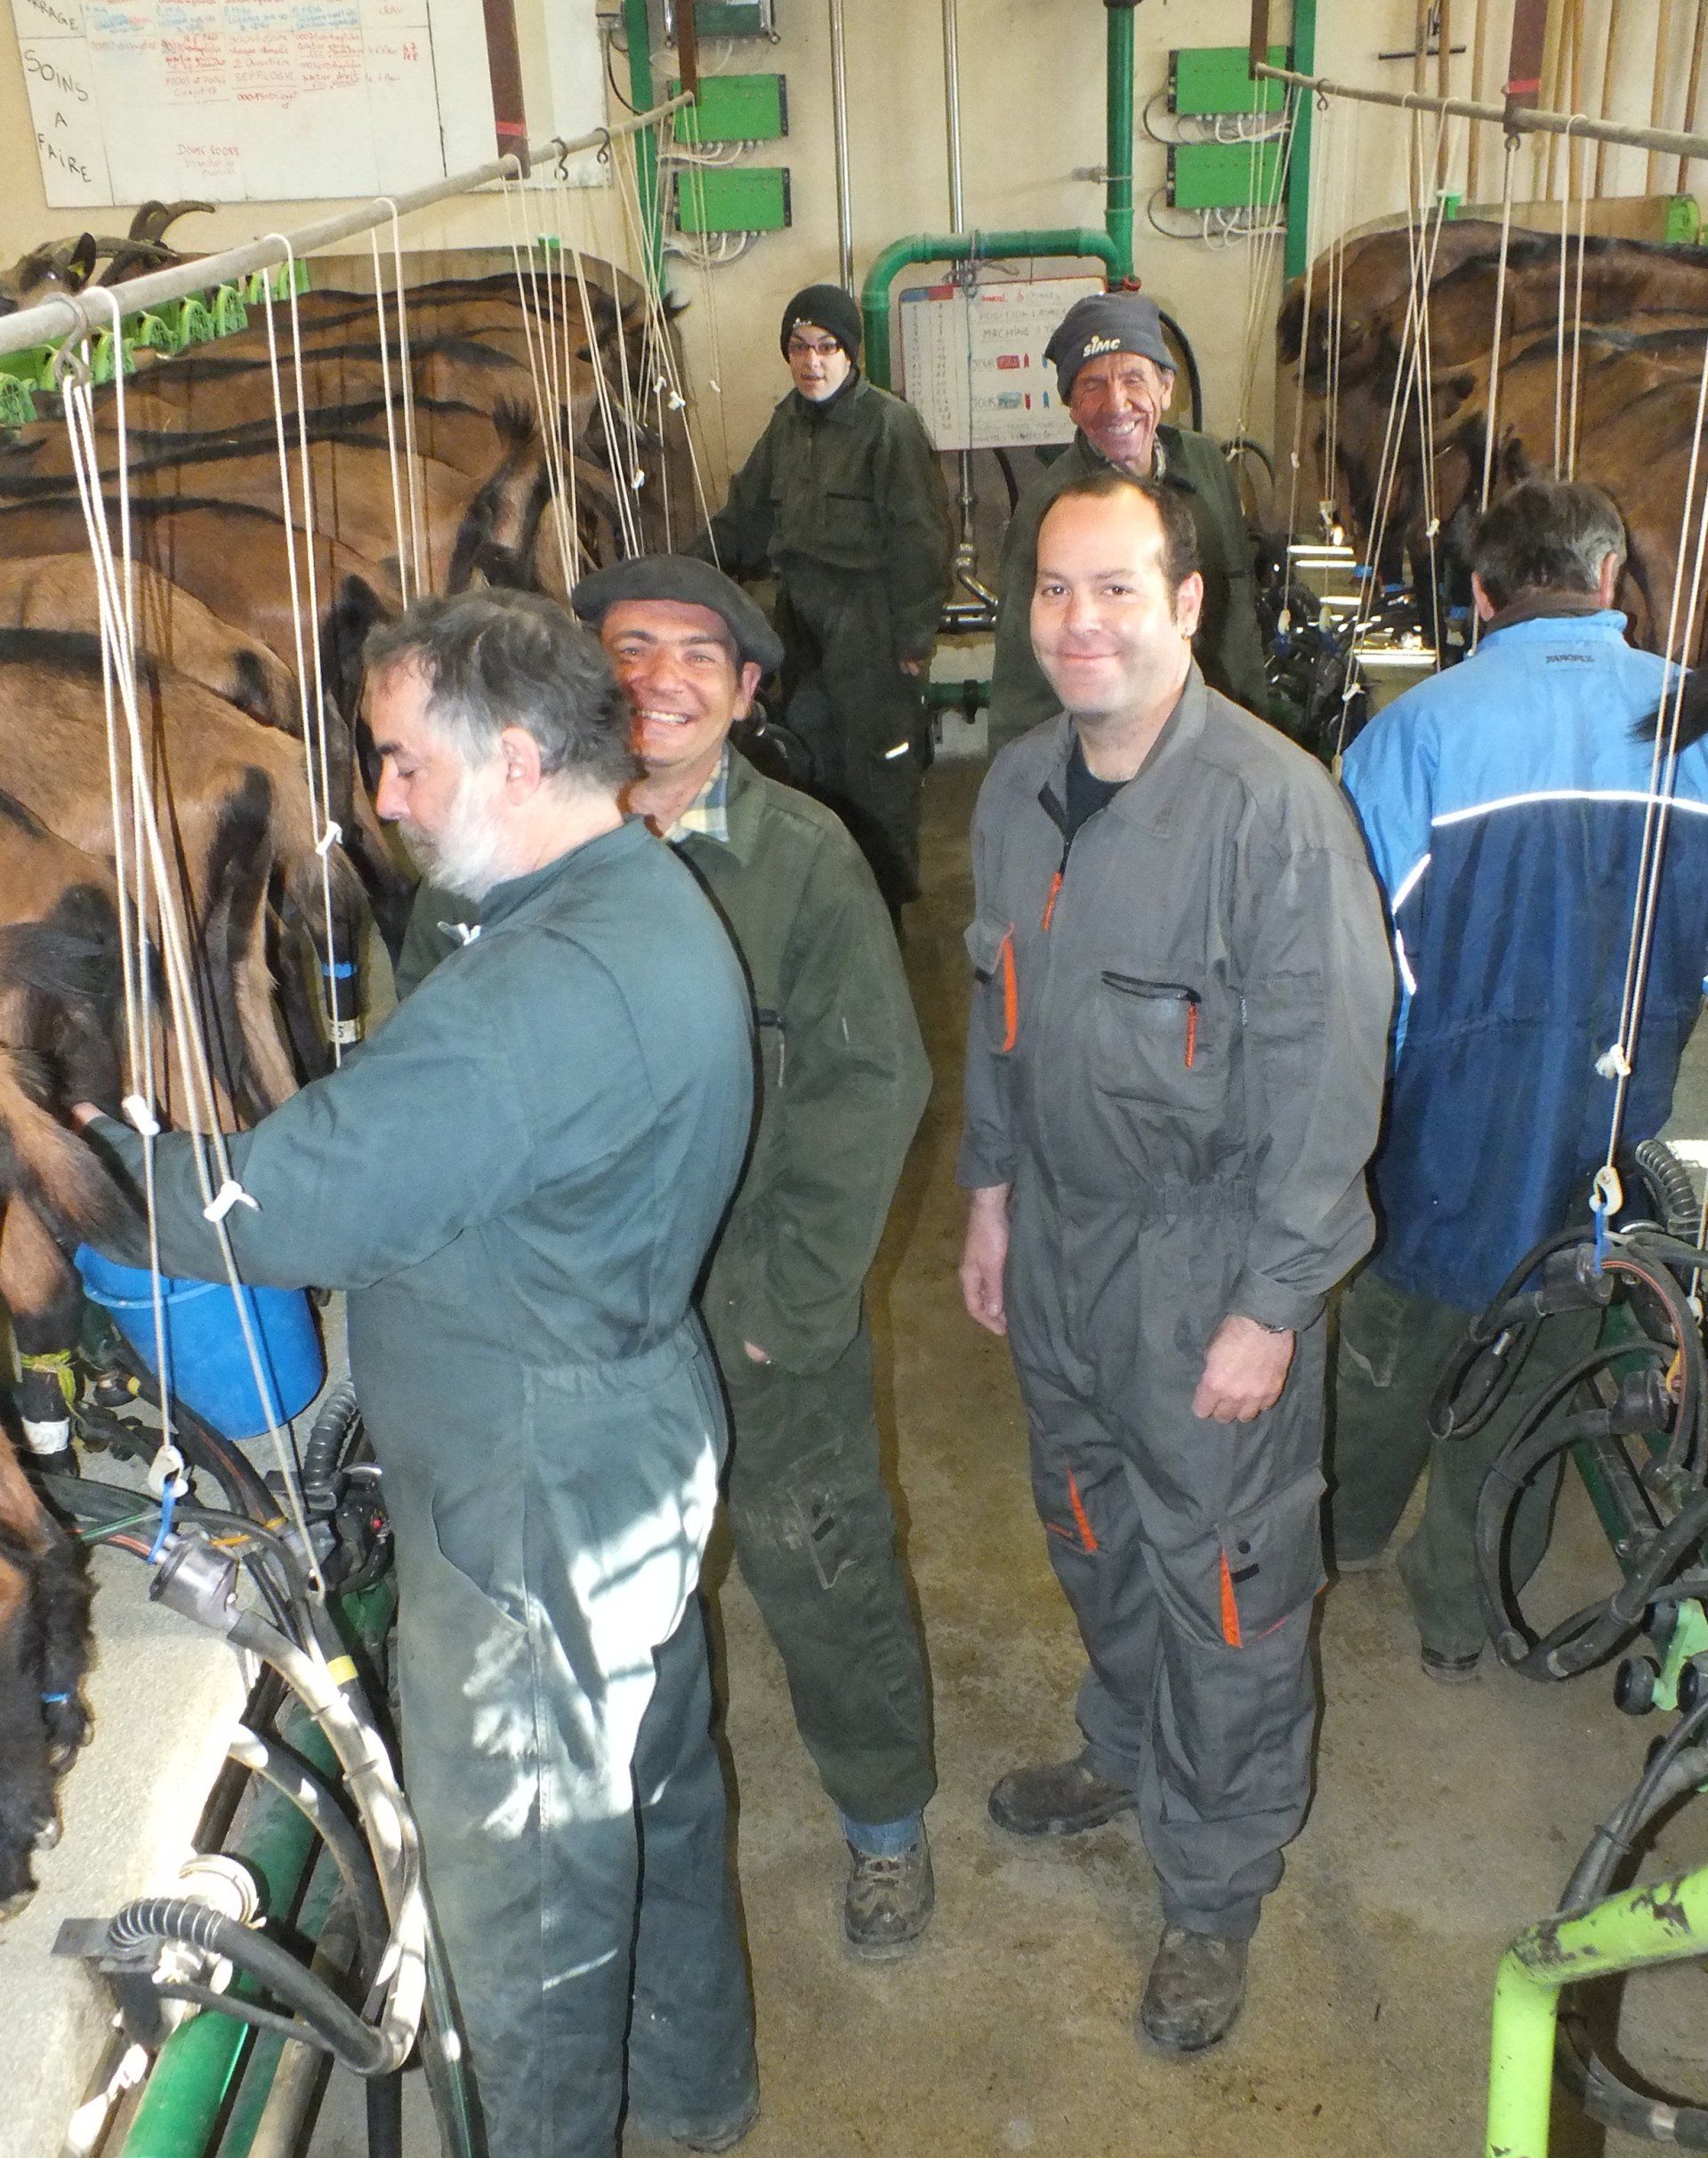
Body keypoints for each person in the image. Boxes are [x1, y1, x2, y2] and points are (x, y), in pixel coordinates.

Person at [79, 592, 758, 2158]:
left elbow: (292, 1202)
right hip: (628, 1432)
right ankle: (698, 2082)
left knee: (523, 1904)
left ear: (513, 761)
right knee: (656, 1791)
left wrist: (83, 1160)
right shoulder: (627, 900)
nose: (377, 799)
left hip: (529, 1495)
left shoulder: (552, 991)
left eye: (398, 762)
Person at [402, 555, 939, 1955]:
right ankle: (612, 1849)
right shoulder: (496, 853)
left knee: (819, 1566)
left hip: (752, 1312)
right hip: (571, 1324)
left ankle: (885, 1824)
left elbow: (870, 1087)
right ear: (585, 675)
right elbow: (434, 1078)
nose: (663, 677)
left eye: (702, 656)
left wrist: (784, 1307)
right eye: (631, 646)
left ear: (749, 693)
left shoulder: (806, 863)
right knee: (593, 1600)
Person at [957, 467, 1390, 2054]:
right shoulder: (1014, 793)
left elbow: (1334, 1084)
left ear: (1188, 607)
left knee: (1228, 1582)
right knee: (1087, 1517)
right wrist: (989, 1199)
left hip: (1209, 1264)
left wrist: (1274, 1310)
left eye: (1118, 589)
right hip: (1062, 1244)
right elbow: (997, 1019)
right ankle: (1128, 1746)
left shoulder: (1276, 812)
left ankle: (1214, 1890)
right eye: (1056, 591)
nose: (1082, 623)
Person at [1329, 478, 1708, 1679]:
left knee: (1389, 1358)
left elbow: (1348, 973)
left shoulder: (1414, 735)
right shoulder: (1695, 729)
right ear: (1610, 584)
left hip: (1436, 1144)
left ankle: (1336, 1538)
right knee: (1536, 1385)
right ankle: (1460, 1619)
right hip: (1608, 1143)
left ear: (1483, 595)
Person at [689, 282, 954, 917]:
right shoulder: (786, 424)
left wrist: (914, 638)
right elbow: (746, 518)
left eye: (827, 347)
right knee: (808, 767)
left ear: (851, 355)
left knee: (877, 775)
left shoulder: (889, 427)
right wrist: (680, 575)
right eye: (800, 348)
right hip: (800, 623)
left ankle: (885, 921)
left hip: (871, 625)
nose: (812, 363)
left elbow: (923, 538)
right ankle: (827, 911)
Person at [987, 291, 1268, 756]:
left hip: (1214, 735)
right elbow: (1023, 672)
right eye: (1093, 385)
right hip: (1114, 749)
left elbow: (1237, 614)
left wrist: (1256, 731)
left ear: (1166, 387)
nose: (1117, 404)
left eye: (1134, 379)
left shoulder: (1205, 466)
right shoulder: (1050, 509)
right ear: (1071, 404)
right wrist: (1023, 784)